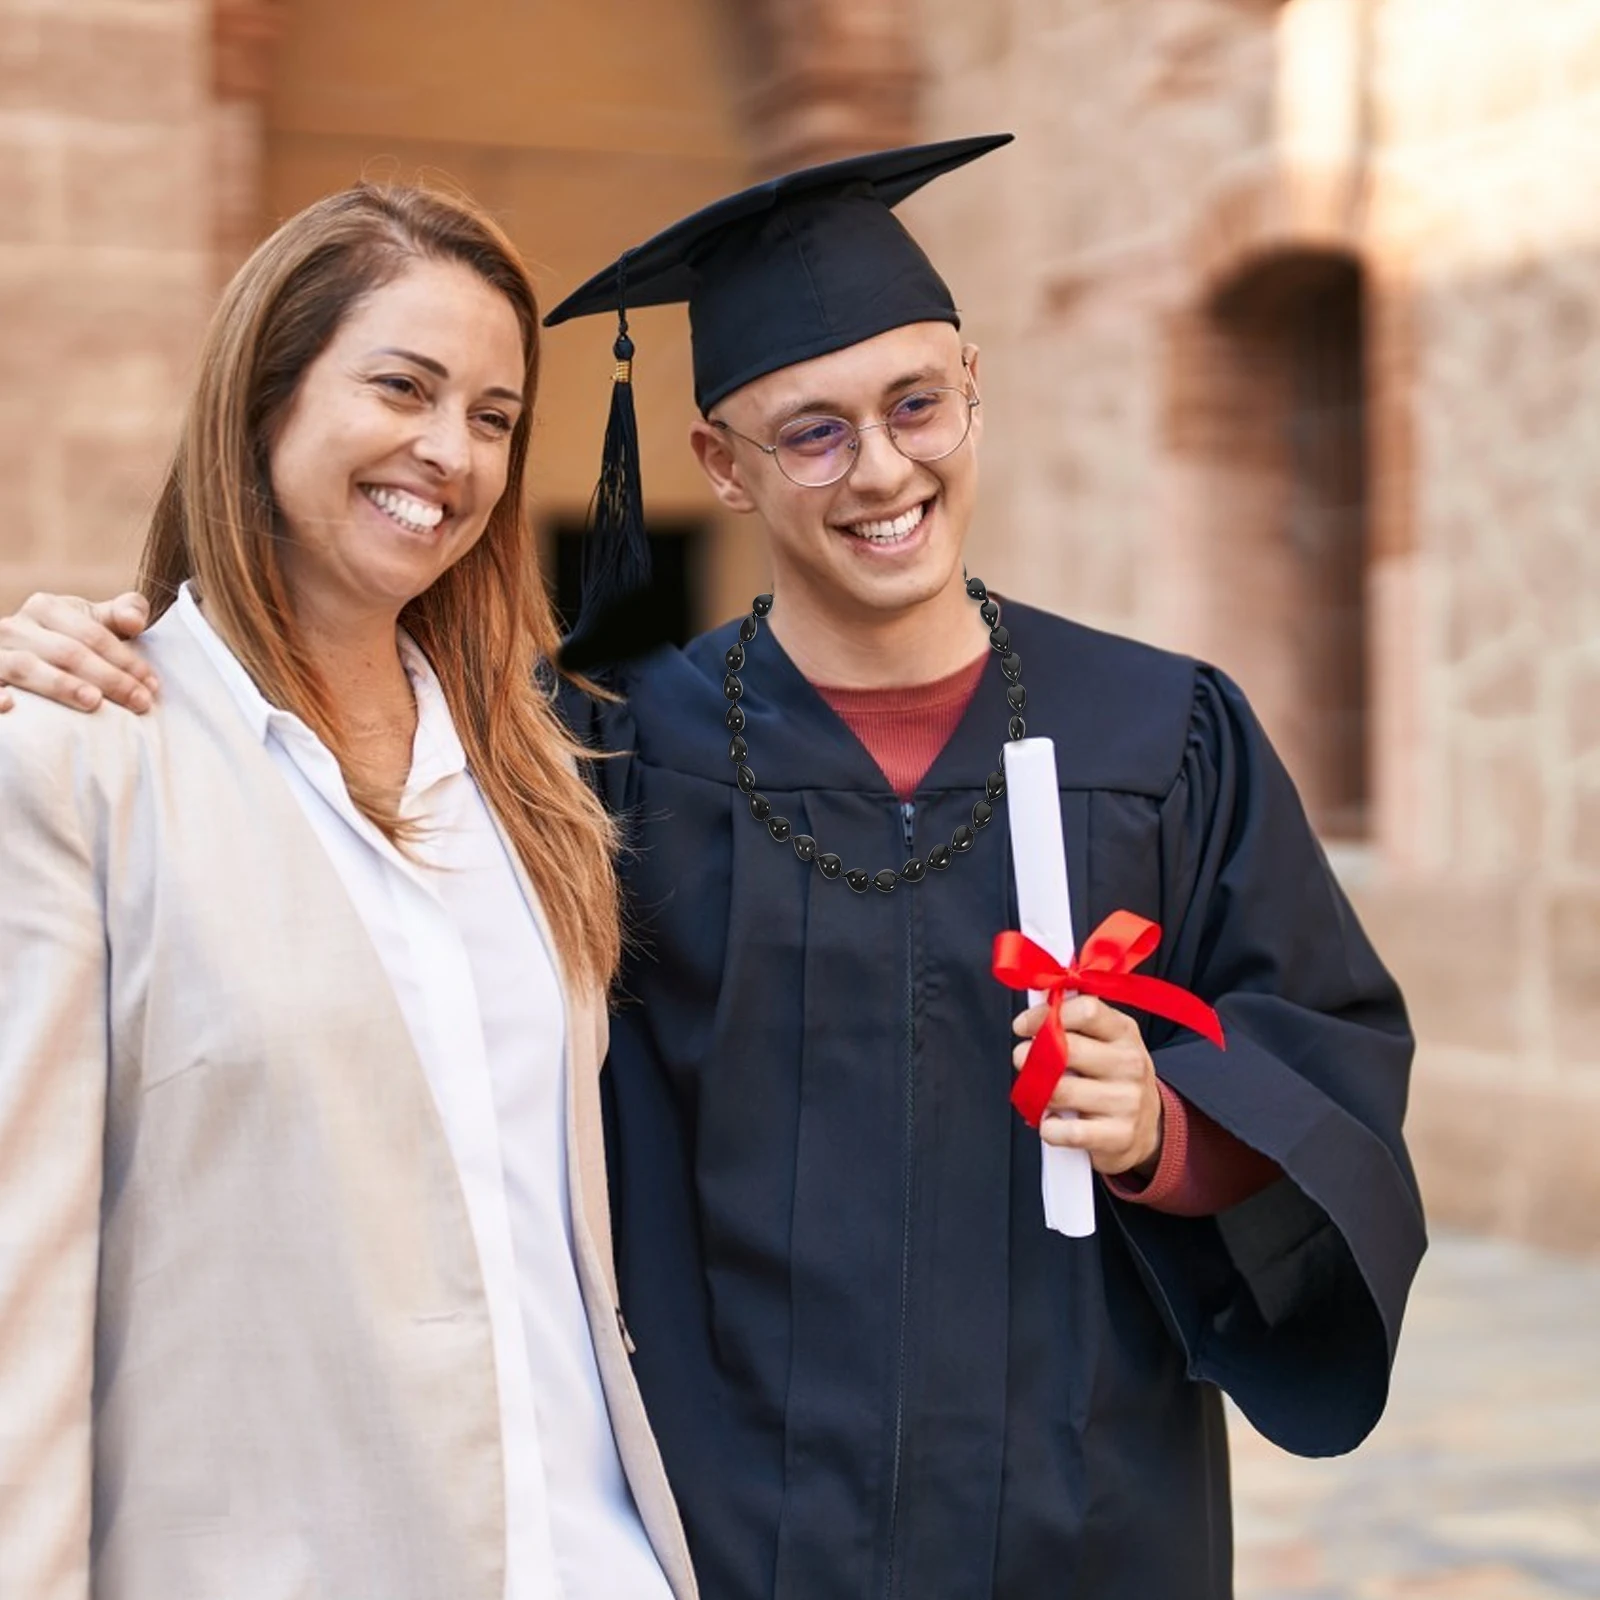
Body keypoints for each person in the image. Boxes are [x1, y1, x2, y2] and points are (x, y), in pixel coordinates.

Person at [1, 137, 1426, 1600]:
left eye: (918, 405)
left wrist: (1169, 1131)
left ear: (975, 392)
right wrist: (42, 656)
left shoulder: (1162, 734)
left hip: (1085, 1513)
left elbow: (1325, 1052)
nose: (882, 467)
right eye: (810, 432)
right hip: (727, 1530)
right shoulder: (599, 760)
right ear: (719, 468)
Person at [0, 184, 694, 1600]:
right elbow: (21, 1307)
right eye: (404, 388)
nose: (448, 453)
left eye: (495, 418)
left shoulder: (533, 781)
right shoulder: (83, 767)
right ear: (266, 396)